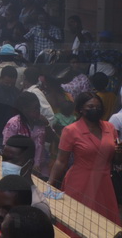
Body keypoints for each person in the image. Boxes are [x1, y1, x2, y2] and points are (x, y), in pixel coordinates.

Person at [48, 91, 122, 224]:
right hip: (80, 182)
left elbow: (116, 160)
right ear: (81, 109)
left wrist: (119, 152)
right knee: (78, 221)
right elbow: (61, 161)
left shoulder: (110, 128)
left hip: (104, 182)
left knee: (104, 224)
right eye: (91, 107)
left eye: (98, 107)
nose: (95, 109)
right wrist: (50, 185)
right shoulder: (71, 130)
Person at [1, 135, 51, 219]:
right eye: (4, 159)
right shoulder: (6, 189)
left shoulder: (36, 205)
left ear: (29, 164)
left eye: (14, 160)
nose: (6, 164)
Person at [2, 92, 48, 176]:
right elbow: (7, 148)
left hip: (39, 167)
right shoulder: (14, 123)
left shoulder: (41, 123)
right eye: (34, 108)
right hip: (18, 166)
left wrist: (47, 124)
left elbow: (41, 146)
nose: (38, 111)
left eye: (38, 107)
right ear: (24, 109)